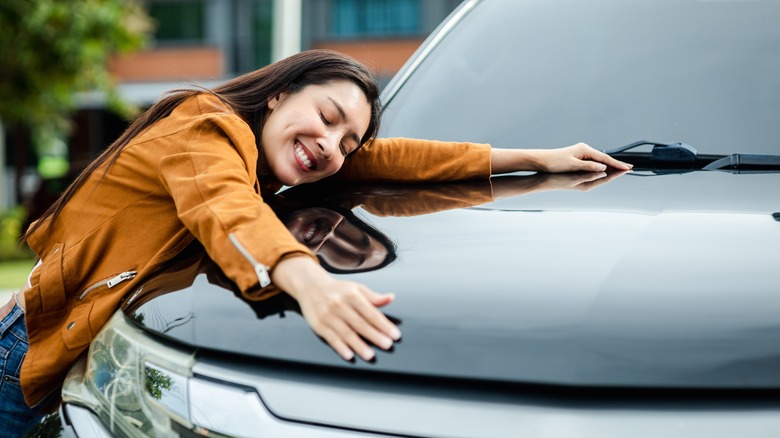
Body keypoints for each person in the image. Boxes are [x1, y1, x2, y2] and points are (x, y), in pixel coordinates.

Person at [0, 49, 631, 430]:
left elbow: (396, 160)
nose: (332, 145)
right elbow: (225, 211)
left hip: (72, 350)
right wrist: (310, 283)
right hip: (24, 355)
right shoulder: (203, 126)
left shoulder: (275, 158)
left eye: (346, 140)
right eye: (327, 118)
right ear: (277, 94)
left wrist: (539, 159)